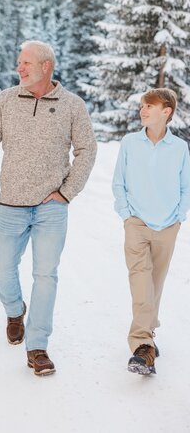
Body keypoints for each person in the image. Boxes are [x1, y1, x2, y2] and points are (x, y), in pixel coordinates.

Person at [0, 40, 97, 376]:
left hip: (51, 206)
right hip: (11, 203)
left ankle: (37, 346)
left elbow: (87, 150)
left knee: (45, 275)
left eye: (25, 63)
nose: (19, 68)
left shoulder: (72, 106)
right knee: (3, 269)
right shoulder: (6, 100)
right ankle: (13, 309)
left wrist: (67, 192)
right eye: (19, 63)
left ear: (45, 66)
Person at [112, 88, 190, 376]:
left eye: (149, 106)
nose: (143, 110)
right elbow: (118, 181)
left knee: (155, 283)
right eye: (142, 105)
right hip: (137, 223)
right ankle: (141, 344)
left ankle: (148, 334)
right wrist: (126, 214)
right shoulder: (130, 142)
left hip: (168, 225)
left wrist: (179, 216)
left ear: (166, 111)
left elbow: (186, 187)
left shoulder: (179, 148)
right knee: (140, 279)